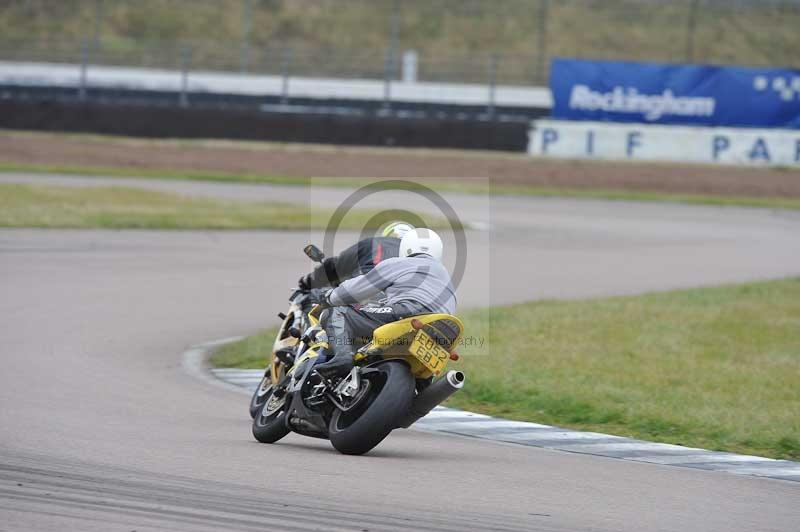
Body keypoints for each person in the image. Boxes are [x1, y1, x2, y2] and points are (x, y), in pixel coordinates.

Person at [314, 228, 457, 378]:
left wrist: (330, 297)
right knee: (422, 374)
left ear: (405, 246)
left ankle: (342, 358)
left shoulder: (401, 263)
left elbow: (355, 290)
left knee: (338, 313)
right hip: (445, 329)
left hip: (411, 314)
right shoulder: (447, 278)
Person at [298, 221, 414, 290]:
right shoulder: (420, 257)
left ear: (385, 235)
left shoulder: (373, 243)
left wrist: (308, 281)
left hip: (365, 293)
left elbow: (337, 265)